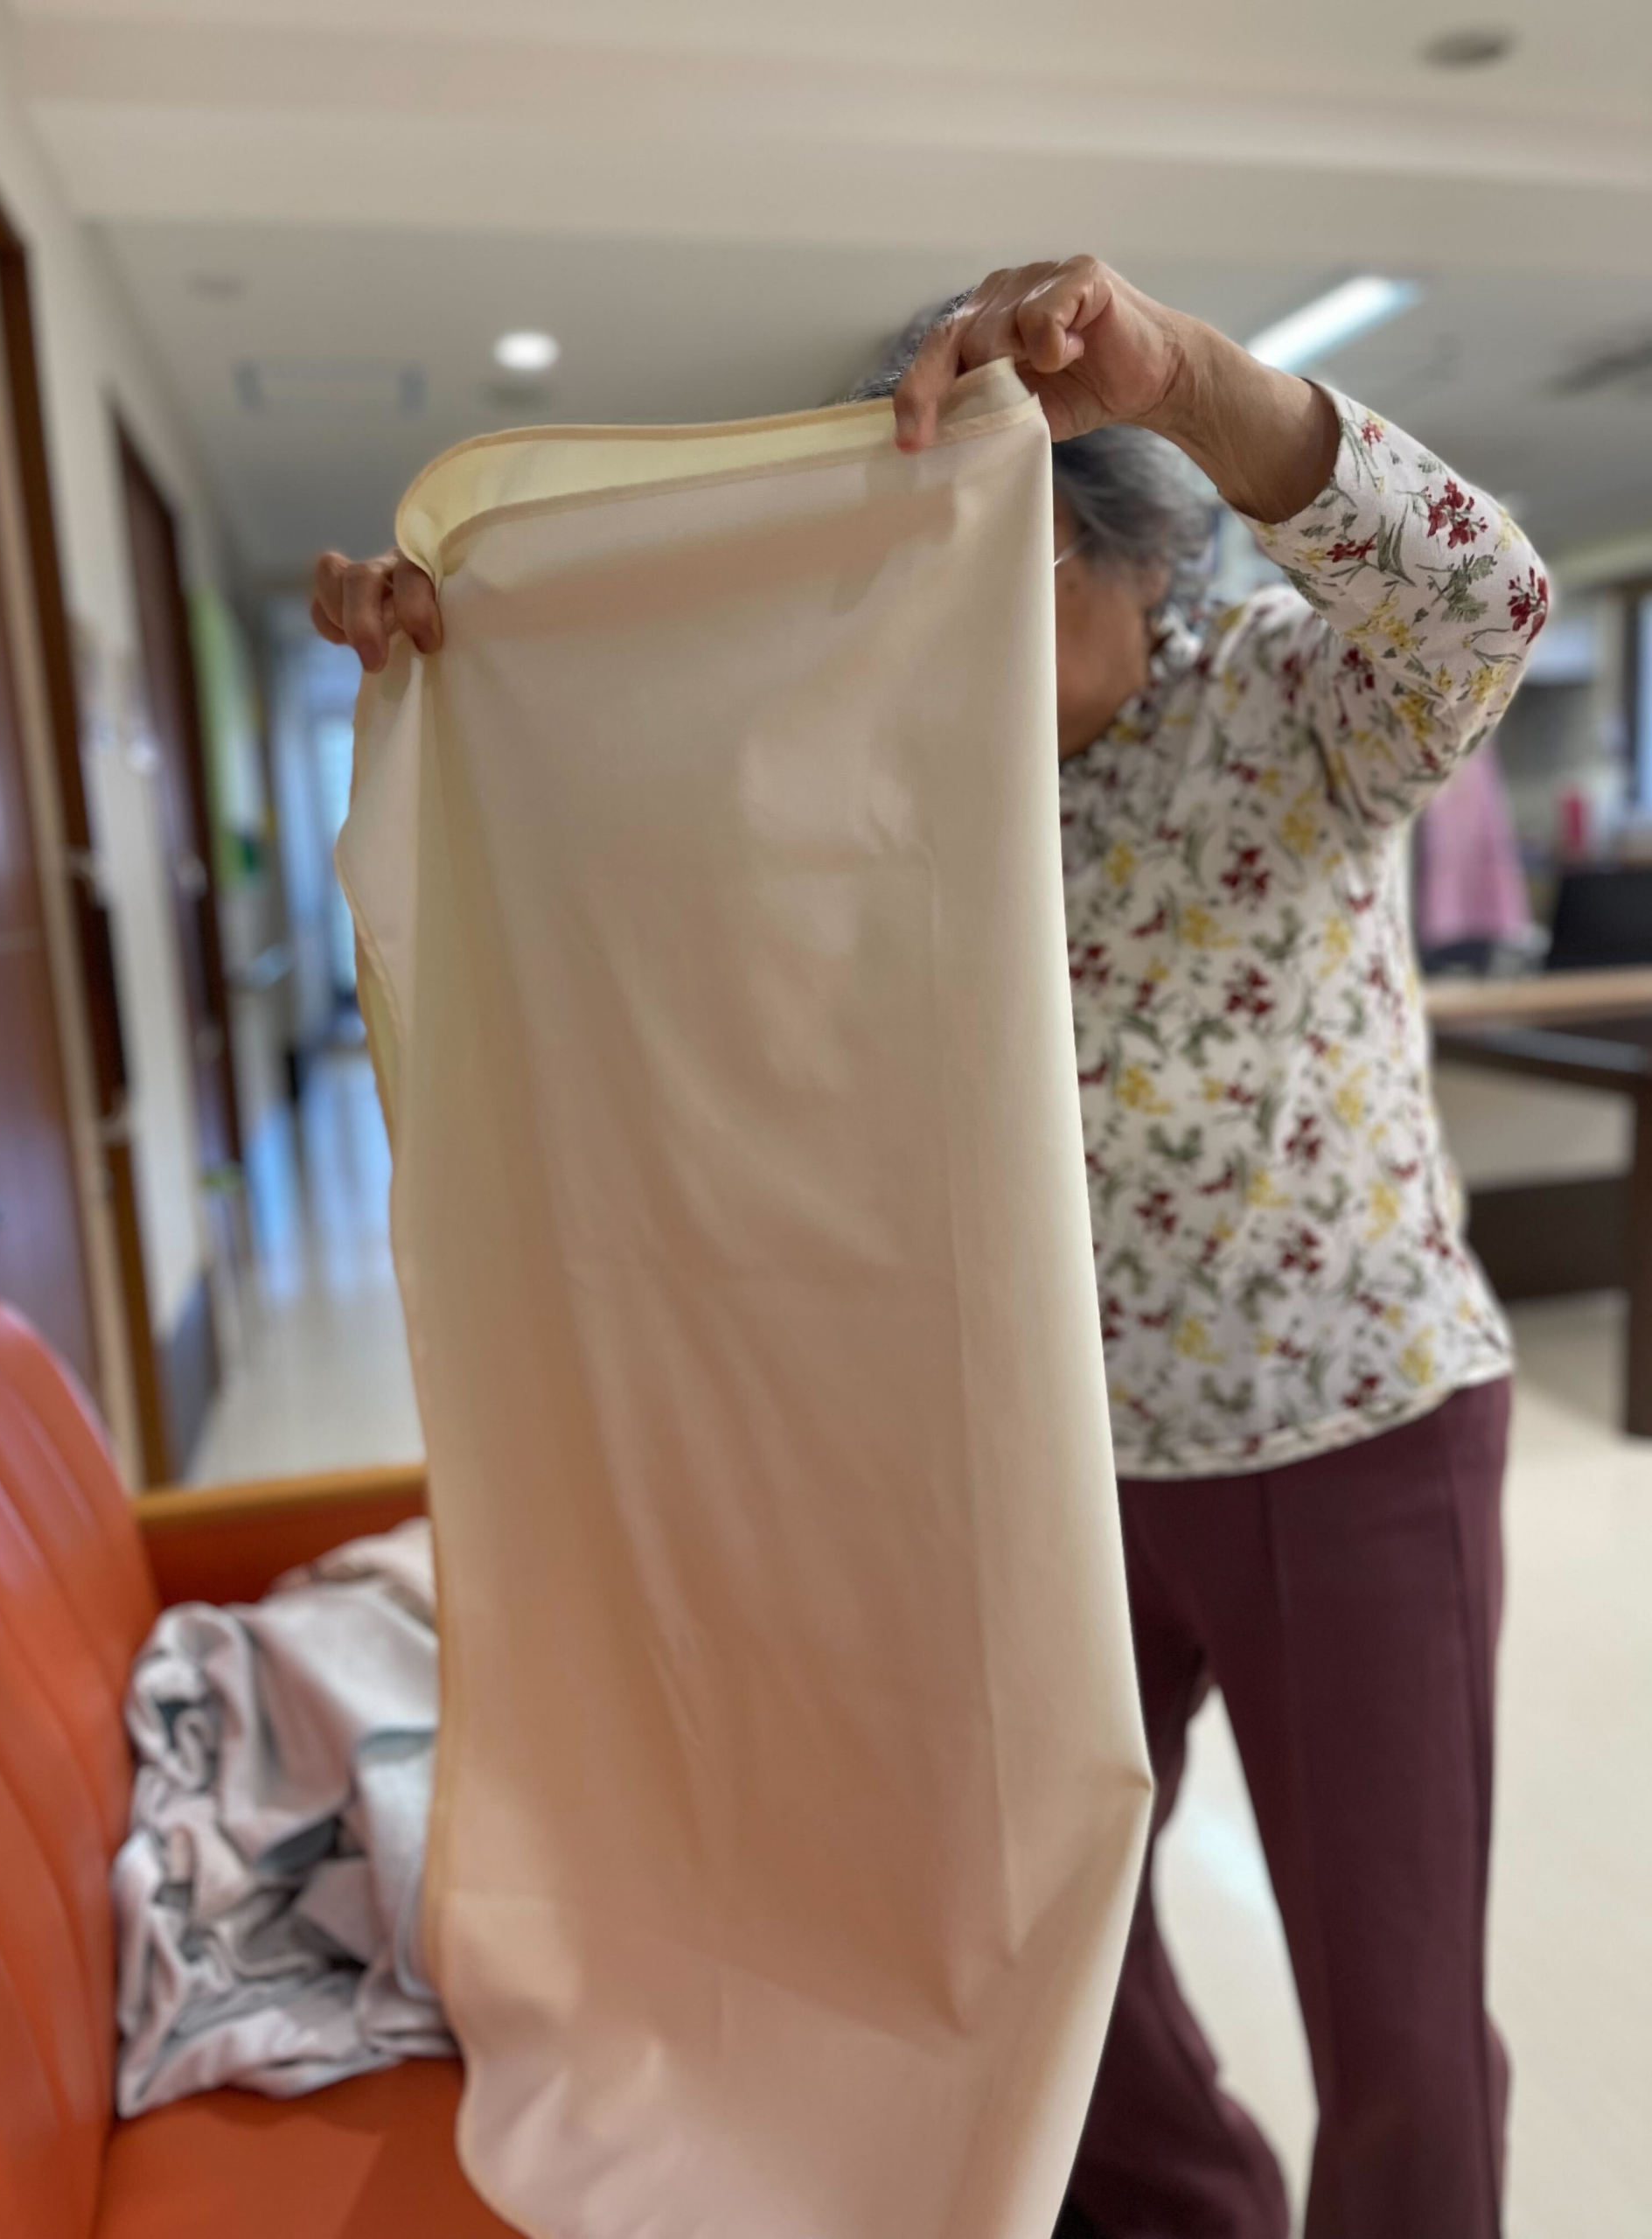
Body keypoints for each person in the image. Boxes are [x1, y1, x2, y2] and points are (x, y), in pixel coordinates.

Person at [313, 257, 1546, 2239]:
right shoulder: (883, 768)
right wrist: (465, 661)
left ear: (1116, 549)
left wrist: (1191, 377)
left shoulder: (1279, 703)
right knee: (1030, 1953)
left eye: (989, 563)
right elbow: (609, 816)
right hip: (1043, 1459)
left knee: (1398, 2022)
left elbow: (1486, 604)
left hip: (1343, 1426)